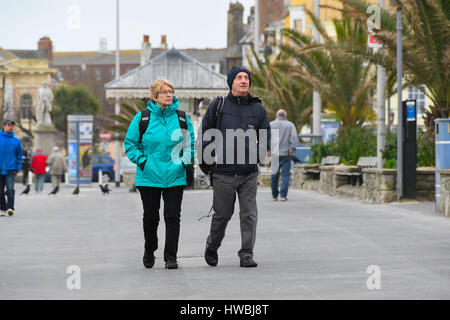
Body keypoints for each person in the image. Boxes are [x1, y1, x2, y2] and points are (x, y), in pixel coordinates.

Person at [198, 66, 271, 268]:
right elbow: (205, 132)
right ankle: (212, 245)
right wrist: (211, 155)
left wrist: (262, 153)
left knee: (249, 214)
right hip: (223, 173)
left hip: (248, 172)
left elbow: (265, 133)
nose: (243, 80)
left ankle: (246, 253)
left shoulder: (257, 108)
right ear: (231, 82)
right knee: (222, 215)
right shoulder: (218, 105)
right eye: (239, 77)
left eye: (246, 77)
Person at [124, 79, 195, 270]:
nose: (169, 94)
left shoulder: (181, 118)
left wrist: (184, 161)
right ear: (155, 96)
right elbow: (130, 144)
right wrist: (142, 161)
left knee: (172, 217)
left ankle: (171, 256)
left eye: (171, 91)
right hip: (149, 176)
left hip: (175, 175)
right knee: (151, 217)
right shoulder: (142, 118)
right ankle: (150, 249)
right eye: (164, 92)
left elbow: (190, 144)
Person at [270, 109, 298, 201]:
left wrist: (268, 150)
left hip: (274, 153)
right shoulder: (290, 125)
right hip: (286, 153)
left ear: (276, 115)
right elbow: (293, 137)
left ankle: (274, 195)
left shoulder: (271, 125)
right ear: (285, 116)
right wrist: (292, 149)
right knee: (285, 175)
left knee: (274, 175)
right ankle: (283, 195)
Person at [0, 119, 23, 217]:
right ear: (4, 126)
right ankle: (2, 208)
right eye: (8, 125)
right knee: (0, 190)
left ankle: (10, 208)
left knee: (10, 189)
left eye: (12, 126)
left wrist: (18, 167)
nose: (10, 127)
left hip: (10, 168)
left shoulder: (16, 140)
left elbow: (19, 155)